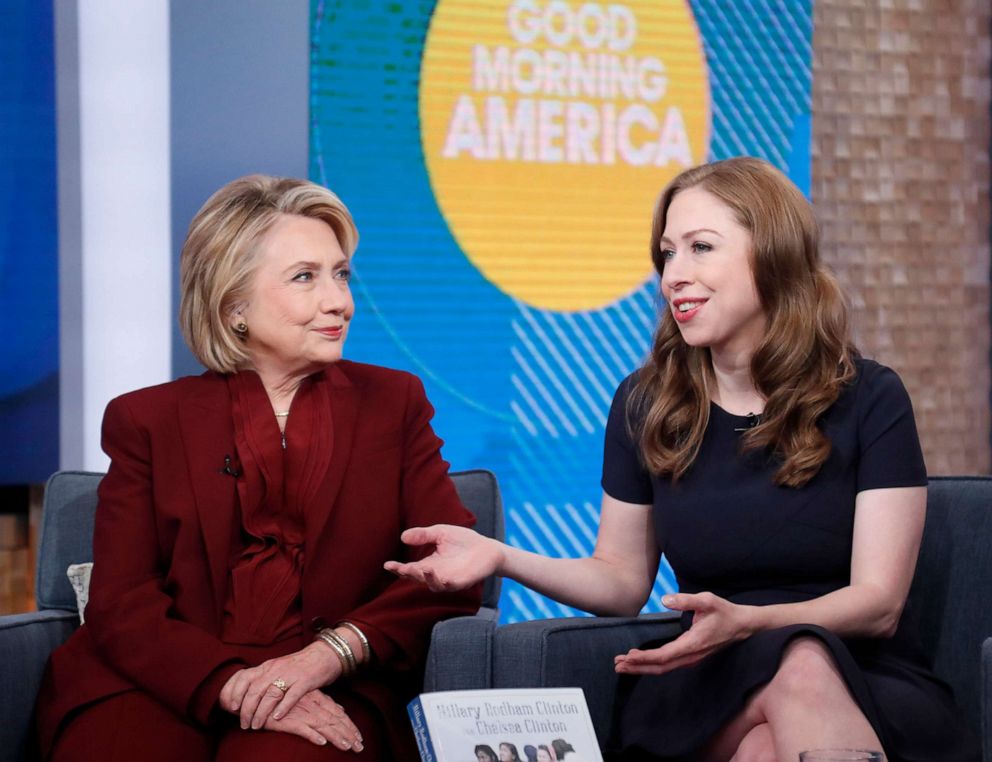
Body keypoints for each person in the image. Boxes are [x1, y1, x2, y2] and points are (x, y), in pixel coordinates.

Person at [385, 157, 980, 761]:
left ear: (772, 254)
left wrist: (753, 622)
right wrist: (501, 556)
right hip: (708, 677)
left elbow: (879, 604)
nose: (674, 275)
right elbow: (620, 581)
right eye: (668, 253)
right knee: (794, 677)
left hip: (865, 673)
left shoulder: (871, 397)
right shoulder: (646, 403)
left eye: (700, 248)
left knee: (771, 735)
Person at [35, 175, 483, 761]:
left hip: (331, 683)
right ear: (234, 304)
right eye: (305, 277)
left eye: (341, 274)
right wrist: (231, 683)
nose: (339, 301)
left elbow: (447, 572)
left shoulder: (393, 403)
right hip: (160, 680)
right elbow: (122, 602)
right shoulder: (144, 419)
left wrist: (328, 655)